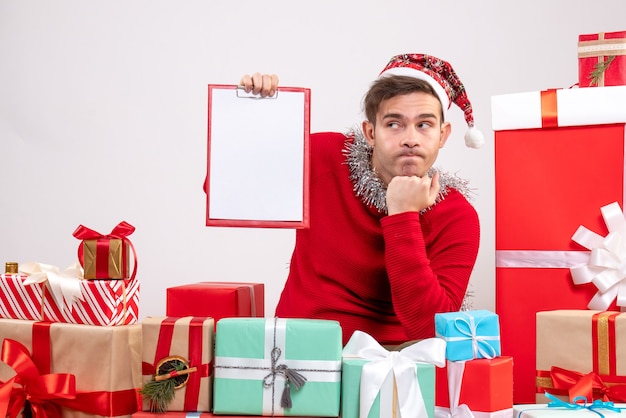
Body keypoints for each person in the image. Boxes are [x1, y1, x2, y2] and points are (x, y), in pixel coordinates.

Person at [239, 53, 482, 345]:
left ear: (443, 135)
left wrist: (403, 216)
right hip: (297, 348)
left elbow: (431, 332)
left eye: (424, 125)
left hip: (396, 361)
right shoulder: (325, 158)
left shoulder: (457, 216)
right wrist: (256, 117)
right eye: (394, 124)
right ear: (370, 132)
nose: (410, 139)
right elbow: (233, 193)